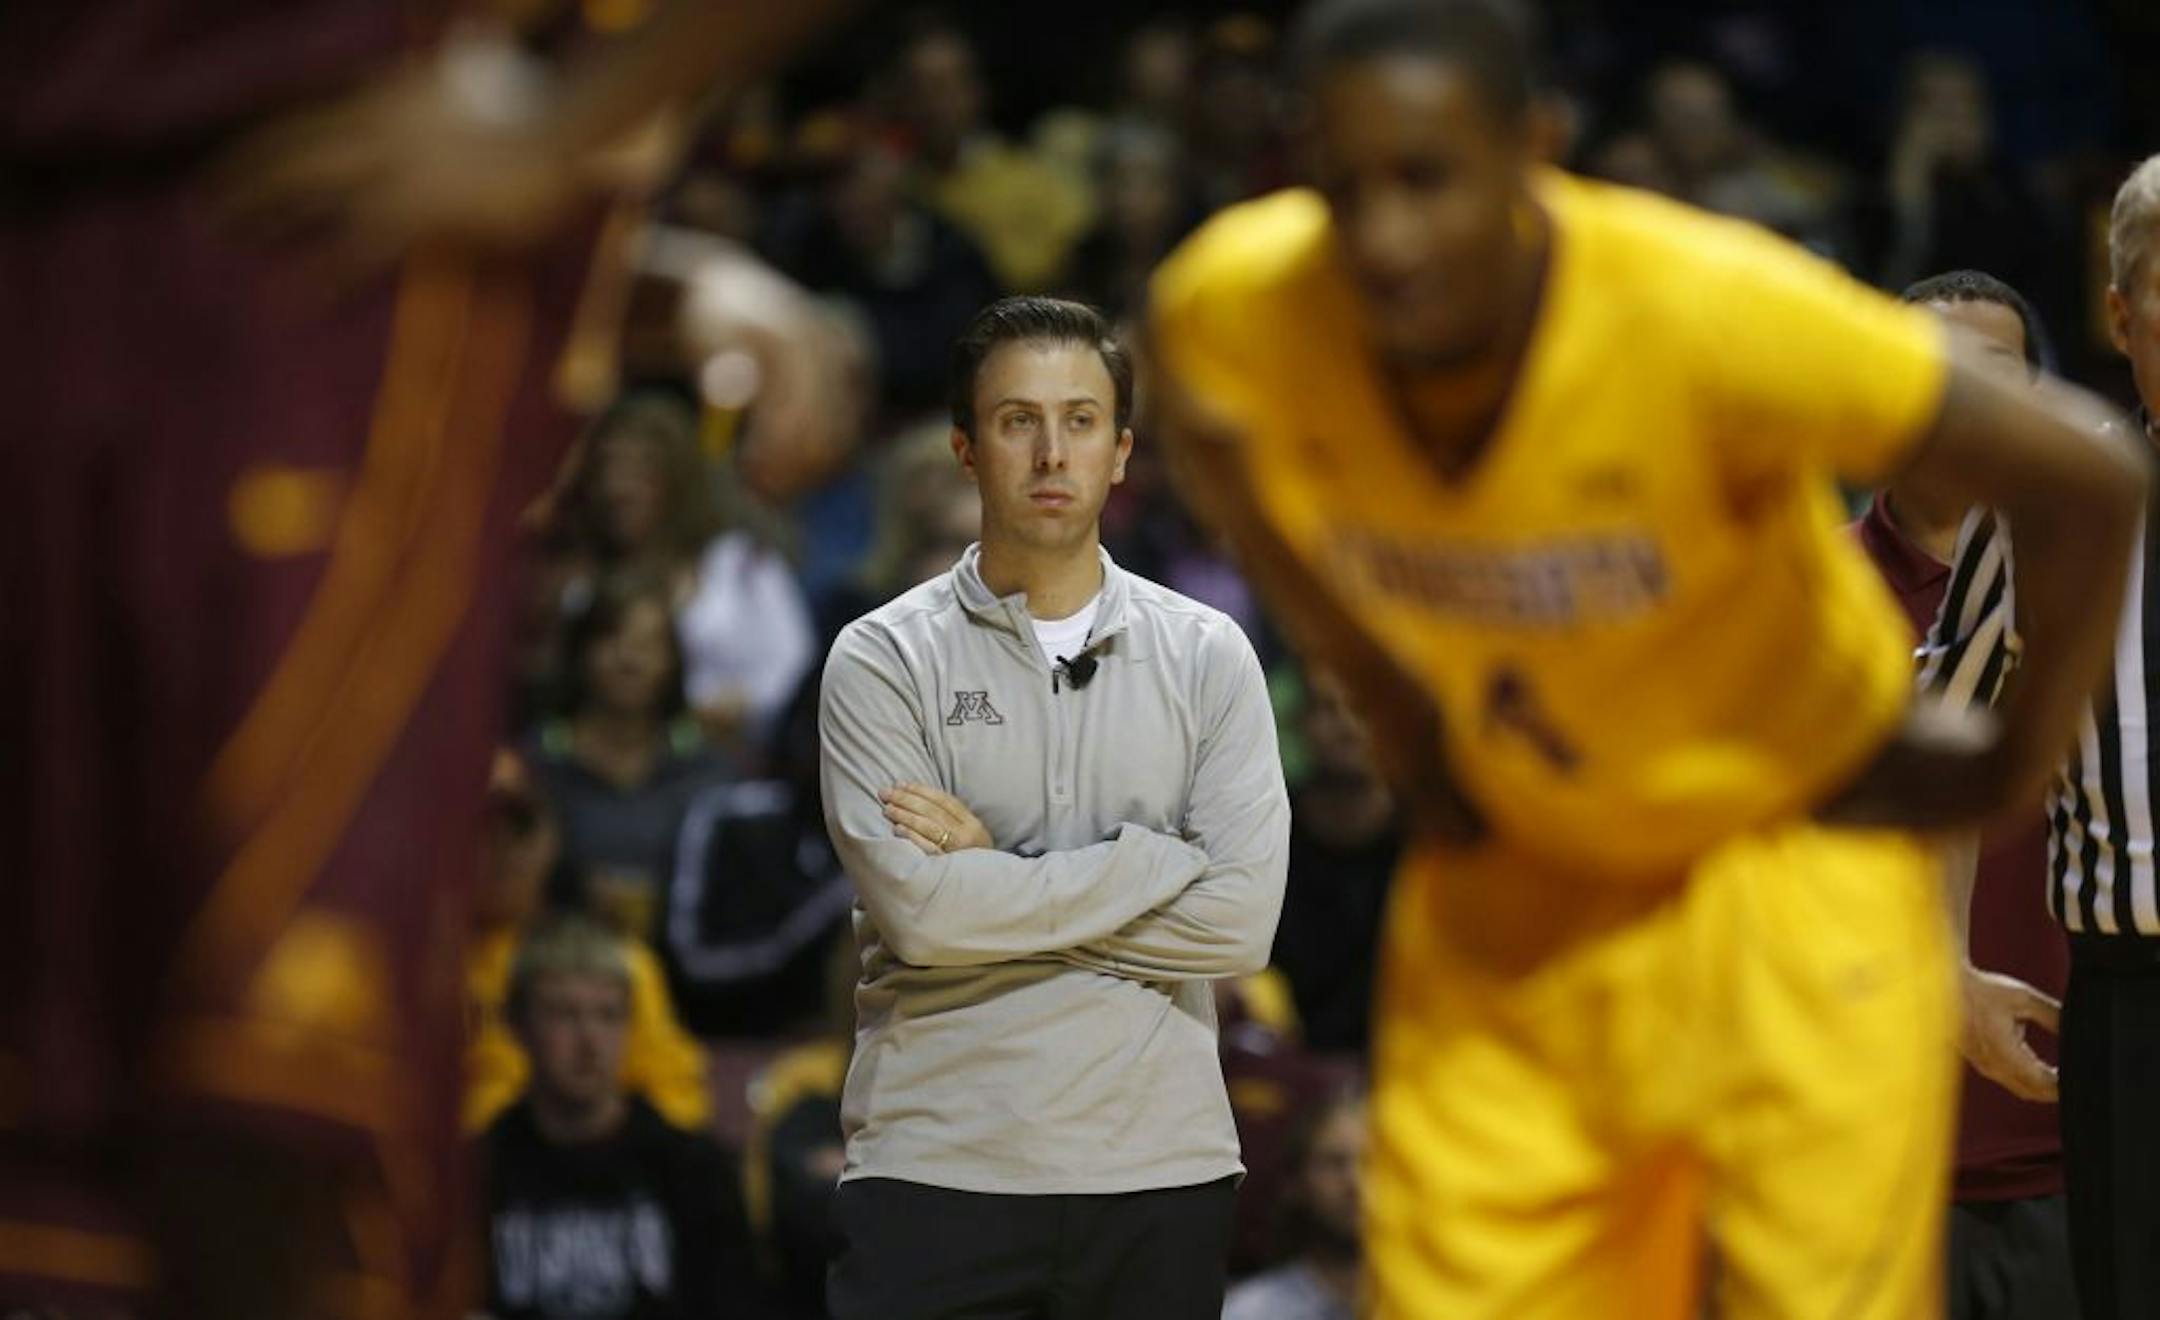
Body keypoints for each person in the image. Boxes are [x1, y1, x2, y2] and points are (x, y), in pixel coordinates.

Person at [1145, 2, 2146, 1317]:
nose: (1381, 236)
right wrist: (1387, 698)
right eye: (1343, 190)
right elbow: (1202, 419)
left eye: (1428, 180)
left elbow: (2089, 474)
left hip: (1780, 875)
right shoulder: (1241, 304)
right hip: (1520, 880)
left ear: (1536, 150)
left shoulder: (1710, 309)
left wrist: (2010, 764)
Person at [0, 0, 849, 1312]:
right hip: (70, 239)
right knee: (59, 1118)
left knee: (272, 1094)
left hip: (324, 250)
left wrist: (567, 135)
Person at [817, 296, 1290, 1319]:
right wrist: (1153, 863)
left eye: (1079, 421)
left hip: (1161, 1170)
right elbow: (924, 919)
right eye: (1015, 420)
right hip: (937, 1163)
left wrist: (998, 871)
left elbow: (1241, 924)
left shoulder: (1209, 655)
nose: (1049, 453)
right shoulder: (881, 657)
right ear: (964, 448)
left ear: (1120, 453)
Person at [1920, 152, 2160, 1320]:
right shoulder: (2045, 502)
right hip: (2130, 1003)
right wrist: (1944, 965)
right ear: (2121, 315)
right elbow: (1942, 744)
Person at [1851, 270, 2076, 1320]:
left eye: (1991, 377)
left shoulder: (2109, 595)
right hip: (1852, 1162)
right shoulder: (1799, 596)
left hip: (2080, 1151)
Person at [481, 914, 769, 1320]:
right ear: (518, 1024)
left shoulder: (692, 1170)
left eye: (608, 1015)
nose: (589, 1040)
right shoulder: (475, 1175)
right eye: (564, 1014)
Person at [464, 751, 713, 1136]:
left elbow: (676, 1099)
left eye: (520, 826)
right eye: (479, 828)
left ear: (553, 840)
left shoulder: (618, 961)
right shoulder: (406, 964)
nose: (502, 848)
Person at [561, 388, 817, 746]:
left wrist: (746, 705)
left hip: (740, 758)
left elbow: (796, 669)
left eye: (641, 469)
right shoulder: (582, 586)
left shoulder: (742, 566)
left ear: (679, 477)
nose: (618, 488)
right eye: (608, 466)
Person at [527, 574, 736, 941]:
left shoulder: (704, 772)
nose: (629, 659)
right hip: (553, 952)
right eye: (612, 638)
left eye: (648, 644)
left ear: (673, 663)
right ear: (581, 652)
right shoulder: (538, 764)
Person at [1271, 669, 1403, 1056]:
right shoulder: (1265, 836)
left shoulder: (1433, 846)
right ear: (1300, 724)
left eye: (1362, 708)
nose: (1347, 724)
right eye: (1329, 709)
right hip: (1290, 1075)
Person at [1223, 1089, 1367, 1320]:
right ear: (1295, 1182)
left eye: (1373, 1162)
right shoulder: (1250, 1313)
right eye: (1333, 1162)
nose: (1356, 1182)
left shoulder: (1433, 1300)